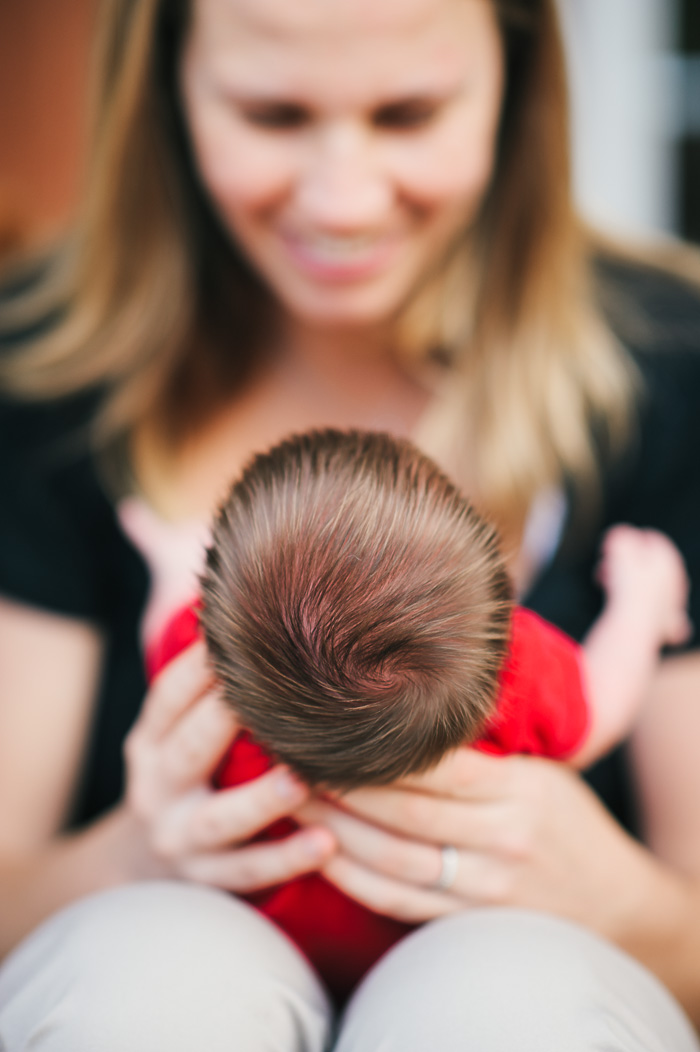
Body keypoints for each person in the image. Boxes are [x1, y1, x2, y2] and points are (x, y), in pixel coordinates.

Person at [1, 0, 700, 1048]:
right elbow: (588, 701)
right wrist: (142, 850)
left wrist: (613, 892)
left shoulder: (674, 367)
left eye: (409, 113)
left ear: (515, 88)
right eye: (273, 114)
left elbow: (170, 634)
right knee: (141, 977)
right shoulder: (35, 376)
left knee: (513, 998)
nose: (343, 198)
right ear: (167, 90)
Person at [146, 426, 690, 1002]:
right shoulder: (514, 668)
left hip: (267, 949)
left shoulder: (205, 663)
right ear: (493, 585)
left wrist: (168, 572)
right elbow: (599, 709)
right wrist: (640, 608)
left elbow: (161, 642)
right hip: (443, 961)